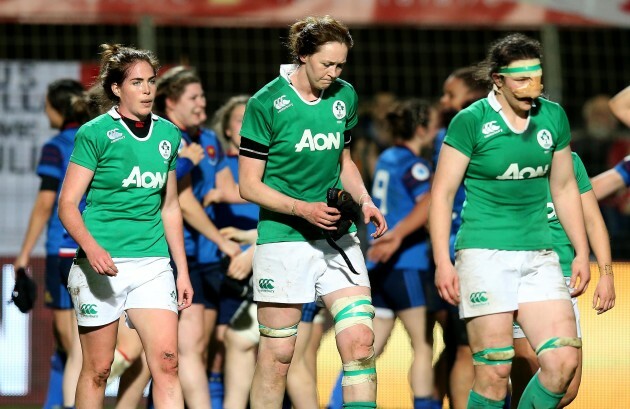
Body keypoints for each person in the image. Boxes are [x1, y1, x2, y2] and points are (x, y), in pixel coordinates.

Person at [429, 33, 590, 409]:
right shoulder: (471, 122)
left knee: (563, 363)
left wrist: (581, 252)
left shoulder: (553, 117)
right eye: (520, 79)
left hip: (540, 256)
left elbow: (565, 187)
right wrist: (442, 261)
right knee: (494, 372)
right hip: (484, 255)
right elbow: (442, 194)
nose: (531, 87)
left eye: (536, 77)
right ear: (497, 80)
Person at [238, 15, 387, 409]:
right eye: (326, 64)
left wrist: (366, 200)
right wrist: (302, 209)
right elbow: (248, 185)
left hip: (337, 239)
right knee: (277, 358)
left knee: (360, 342)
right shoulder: (266, 103)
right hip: (284, 241)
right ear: (303, 56)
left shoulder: (344, 96)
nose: (334, 73)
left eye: (340, 65)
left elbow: (345, 162)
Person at [58, 43, 193, 409]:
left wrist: (181, 271)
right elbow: (67, 204)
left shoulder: (168, 135)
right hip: (102, 265)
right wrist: (92, 248)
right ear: (116, 88)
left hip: (152, 264)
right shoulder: (96, 133)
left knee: (168, 362)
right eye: (137, 82)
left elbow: (170, 207)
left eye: (151, 81)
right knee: (99, 369)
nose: (147, 89)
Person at [153, 65, 241, 409]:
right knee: (174, 351)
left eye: (203, 95)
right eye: (194, 97)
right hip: (173, 255)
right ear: (171, 102)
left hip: (204, 258)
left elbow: (225, 189)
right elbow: (183, 202)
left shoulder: (206, 139)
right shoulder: (164, 138)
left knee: (199, 348)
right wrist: (222, 241)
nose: (203, 103)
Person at [510, 152, 616, 408]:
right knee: (535, 373)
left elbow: (592, 220)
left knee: (567, 387)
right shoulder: (504, 155)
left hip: (562, 278)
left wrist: (606, 274)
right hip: (520, 275)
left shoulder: (568, 160)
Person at [13, 78, 89, 409]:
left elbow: (47, 203)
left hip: (63, 248)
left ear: (58, 108)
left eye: (46, 104)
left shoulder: (57, 145)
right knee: (78, 343)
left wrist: (24, 254)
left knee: (71, 345)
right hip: (97, 248)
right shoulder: (97, 139)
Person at [363, 99, 439, 409]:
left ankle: (339, 402)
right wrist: (398, 235)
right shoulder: (415, 165)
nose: (437, 131)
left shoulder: (386, 158)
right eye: (433, 125)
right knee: (422, 345)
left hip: (378, 265)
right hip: (406, 264)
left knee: (371, 348)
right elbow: (428, 203)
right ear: (421, 130)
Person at [433, 66, 489, 409]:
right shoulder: (458, 134)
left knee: (459, 347)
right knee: (468, 349)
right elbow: (437, 196)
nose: (443, 101)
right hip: (462, 253)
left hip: (477, 251)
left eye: (449, 94)